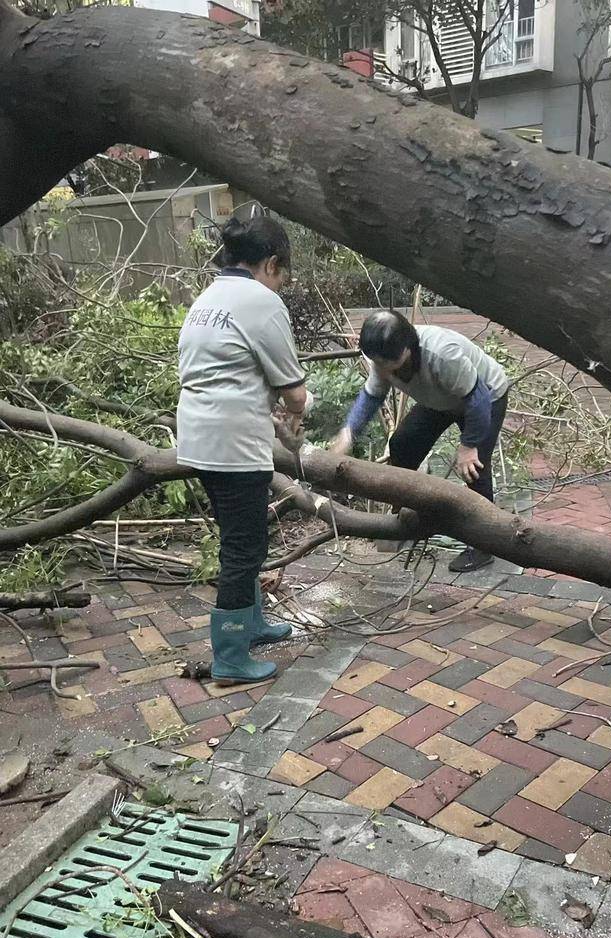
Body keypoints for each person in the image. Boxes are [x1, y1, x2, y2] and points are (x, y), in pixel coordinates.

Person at [176, 216, 306, 683]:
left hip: (200, 436)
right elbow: (293, 390)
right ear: (271, 263)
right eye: (283, 273)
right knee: (242, 548)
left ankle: (250, 625)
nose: (282, 283)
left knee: (243, 538)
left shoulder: (208, 298)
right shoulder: (260, 300)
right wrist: (297, 415)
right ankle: (230, 656)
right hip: (233, 444)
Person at [331, 310, 509, 572]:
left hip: (484, 398)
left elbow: (478, 399)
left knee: (475, 469)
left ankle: (483, 544)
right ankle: (405, 518)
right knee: (403, 444)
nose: (379, 367)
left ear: (406, 350)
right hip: (440, 400)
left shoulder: (443, 355)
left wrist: (469, 445)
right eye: (376, 361)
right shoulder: (382, 356)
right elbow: (371, 396)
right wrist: (348, 432)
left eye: (384, 362)